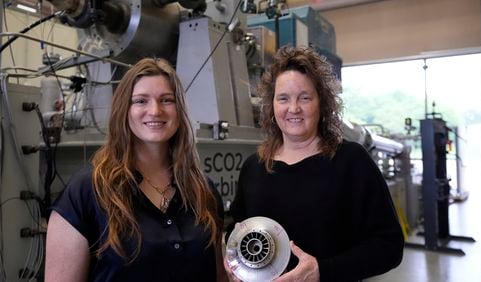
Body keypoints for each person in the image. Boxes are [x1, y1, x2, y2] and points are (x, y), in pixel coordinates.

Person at [227, 46, 404, 282]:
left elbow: (389, 246)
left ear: (322, 104)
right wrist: (235, 265)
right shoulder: (254, 167)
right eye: (283, 98)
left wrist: (323, 270)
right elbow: (236, 232)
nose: (293, 108)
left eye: (305, 97)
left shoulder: (351, 161)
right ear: (272, 106)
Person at [45, 58, 224, 282]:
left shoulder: (203, 190)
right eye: (140, 101)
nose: (155, 110)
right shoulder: (87, 191)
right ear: (124, 110)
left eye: (167, 100)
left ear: (179, 110)